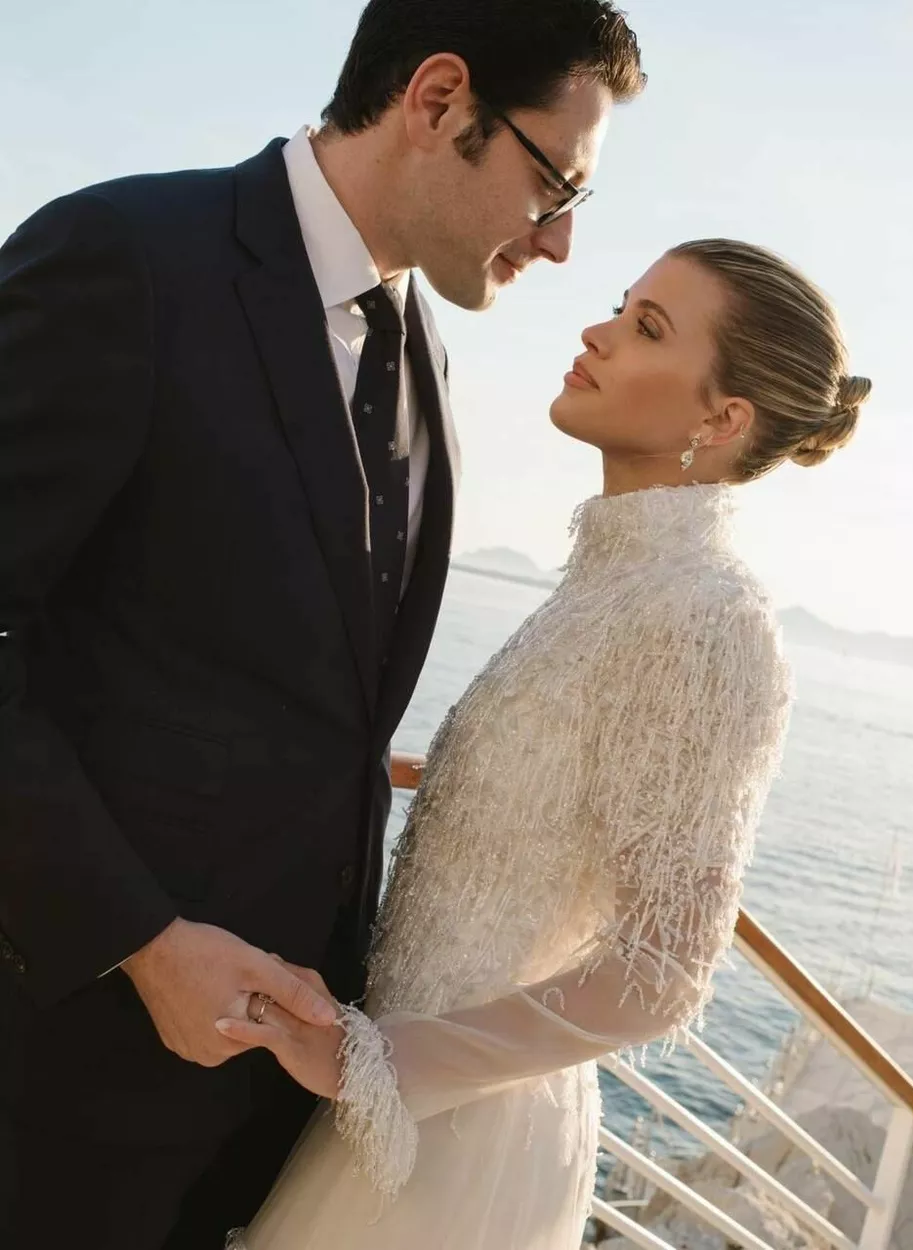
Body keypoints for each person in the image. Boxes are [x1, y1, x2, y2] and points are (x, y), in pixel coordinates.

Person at [0, 3, 646, 1248]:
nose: (561, 243)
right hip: (63, 1075)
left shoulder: (424, 356)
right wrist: (140, 941)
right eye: (554, 185)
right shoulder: (128, 257)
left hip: (277, 1104)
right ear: (439, 100)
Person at [216, 239, 873, 1250]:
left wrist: (378, 1064)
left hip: (453, 1152)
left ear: (721, 420)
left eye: (647, 327)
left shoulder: (706, 617)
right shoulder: (612, 582)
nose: (596, 332)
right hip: (387, 1100)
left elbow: (664, 967)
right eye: (621, 305)